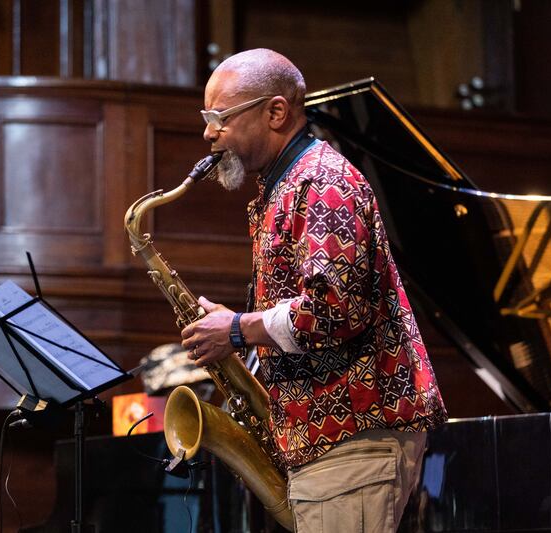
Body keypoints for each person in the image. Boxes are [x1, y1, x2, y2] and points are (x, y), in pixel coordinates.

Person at [180, 48, 447, 532]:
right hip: (334, 440)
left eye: (220, 118)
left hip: (354, 436)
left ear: (276, 112)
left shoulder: (321, 183)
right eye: (206, 119)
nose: (208, 134)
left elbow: (333, 308)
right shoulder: (286, 186)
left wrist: (237, 329)